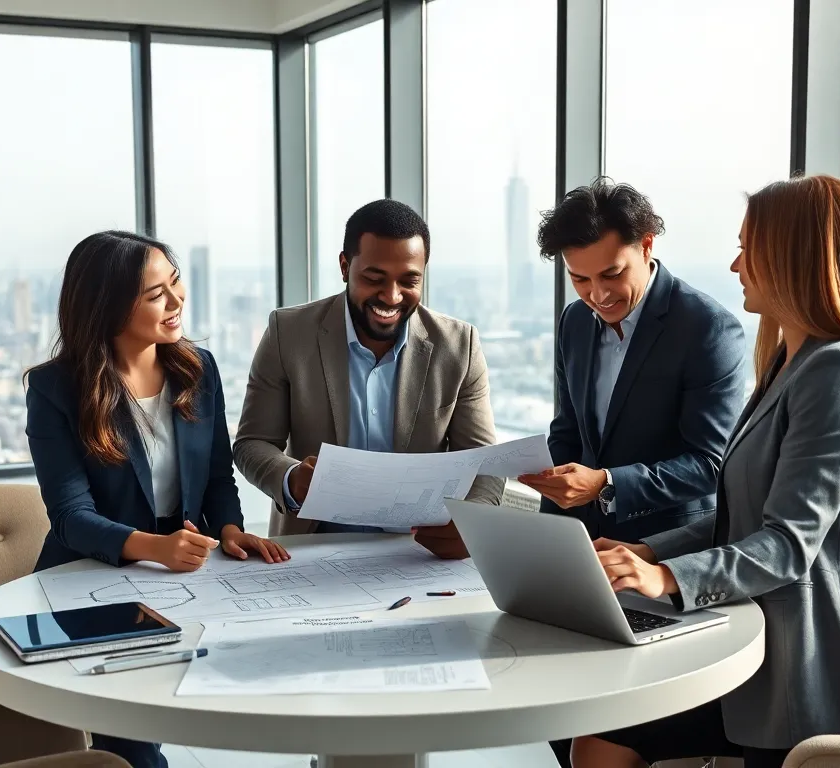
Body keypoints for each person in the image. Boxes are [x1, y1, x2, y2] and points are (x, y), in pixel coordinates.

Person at [572, 175, 840, 768]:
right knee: (601, 737)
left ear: (793, 258)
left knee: (608, 734)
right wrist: (645, 553)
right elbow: (741, 513)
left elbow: (787, 544)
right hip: (759, 633)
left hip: (811, 657)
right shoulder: (790, 361)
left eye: (748, 250)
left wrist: (666, 578)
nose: (735, 266)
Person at [25, 230, 286, 768]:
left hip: (182, 574)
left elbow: (217, 475)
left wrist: (230, 529)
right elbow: (71, 517)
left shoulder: (198, 368)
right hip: (88, 578)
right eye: (155, 294)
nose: (177, 300)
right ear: (109, 306)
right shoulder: (56, 389)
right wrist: (155, 547)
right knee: (133, 745)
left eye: (176, 281)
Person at [233, 199, 503, 558]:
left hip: (418, 553)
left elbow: (484, 462)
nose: (391, 296)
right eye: (374, 279)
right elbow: (252, 443)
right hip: (310, 549)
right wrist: (291, 478)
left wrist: (474, 523)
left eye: (409, 281)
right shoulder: (288, 332)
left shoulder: (458, 345)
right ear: (345, 266)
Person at [519, 178, 747, 545]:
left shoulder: (708, 328)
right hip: (579, 544)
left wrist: (607, 484)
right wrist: (546, 539)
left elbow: (711, 464)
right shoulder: (574, 321)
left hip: (665, 549)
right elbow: (568, 433)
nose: (598, 295)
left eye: (612, 274)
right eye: (579, 279)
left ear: (646, 245)